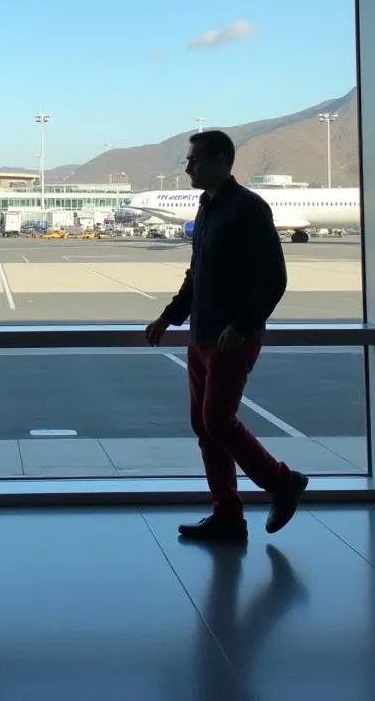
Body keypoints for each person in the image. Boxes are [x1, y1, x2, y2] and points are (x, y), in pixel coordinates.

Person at [144, 130, 307, 542]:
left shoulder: (248, 208)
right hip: (202, 336)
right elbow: (196, 275)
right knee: (205, 426)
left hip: (231, 339)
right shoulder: (208, 206)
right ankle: (228, 516)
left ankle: (282, 481)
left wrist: (243, 326)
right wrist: (169, 317)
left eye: (194, 160)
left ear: (219, 161)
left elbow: (275, 277)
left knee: (216, 420)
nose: (187, 167)